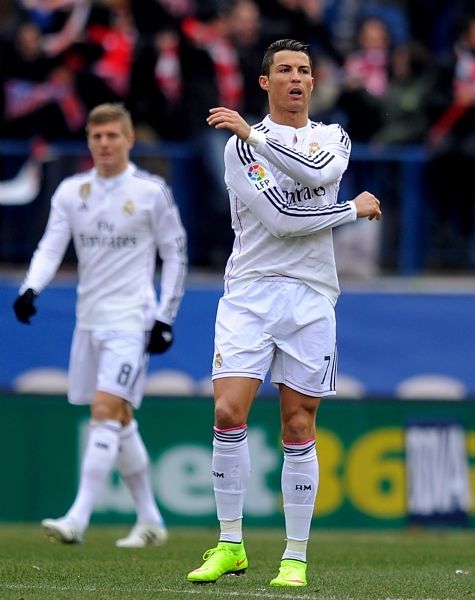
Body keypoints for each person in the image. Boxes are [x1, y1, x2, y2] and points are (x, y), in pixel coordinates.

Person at [186, 39, 381, 587]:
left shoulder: (332, 137)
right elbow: (283, 221)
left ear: (313, 82)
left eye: (304, 70)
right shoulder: (239, 147)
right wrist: (350, 208)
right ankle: (230, 544)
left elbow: (317, 173)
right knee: (228, 411)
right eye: (285, 71)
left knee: (298, 423)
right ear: (265, 82)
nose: (296, 78)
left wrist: (256, 137)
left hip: (311, 295)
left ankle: (295, 556)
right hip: (249, 292)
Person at [12, 102, 188, 547]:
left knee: (105, 411)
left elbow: (175, 253)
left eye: (112, 136)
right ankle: (150, 520)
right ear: (89, 141)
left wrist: (165, 316)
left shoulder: (151, 192)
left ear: (129, 139)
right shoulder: (72, 191)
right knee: (120, 417)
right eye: (97, 137)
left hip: (132, 320)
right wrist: (31, 288)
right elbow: (51, 246)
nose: (105, 144)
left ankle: (77, 518)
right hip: (88, 319)